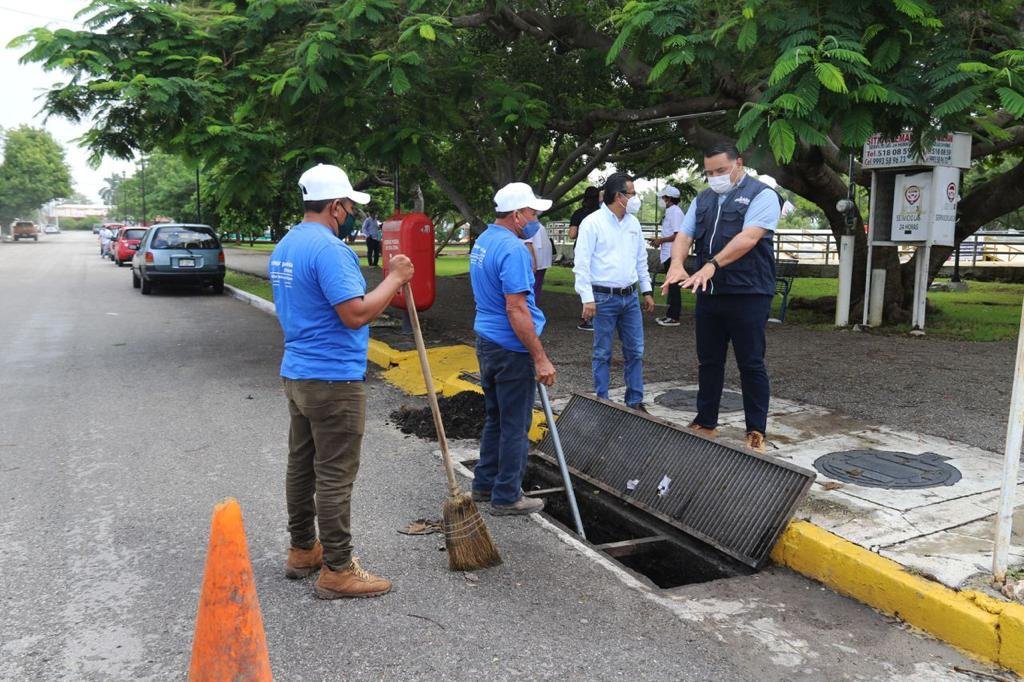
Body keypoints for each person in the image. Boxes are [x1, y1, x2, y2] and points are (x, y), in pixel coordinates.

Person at [269, 163, 415, 599]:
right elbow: (355, 314)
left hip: (298, 373)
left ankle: (302, 549)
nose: (352, 214)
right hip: (332, 379)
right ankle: (337, 568)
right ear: (335, 206)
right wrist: (395, 278)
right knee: (334, 474)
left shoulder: (288, 244)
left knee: (301, 466)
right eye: (350, 207)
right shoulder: (331, 251)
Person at [662, 143, 782, 453]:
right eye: (709, 172)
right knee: (709, 360)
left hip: (749, 292)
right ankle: (706, 421)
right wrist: (677, 264)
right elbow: (685, 235)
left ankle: (756, 430)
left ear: (739, 163)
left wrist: (711, 265)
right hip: (710, 293)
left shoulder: (762, 195)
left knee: (751, 363)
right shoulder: (703, 199)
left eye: (721, 170)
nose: (715, 177)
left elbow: (749, 237)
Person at [469, 182, 557, 516]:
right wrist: (540, 357)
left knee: (496, 417)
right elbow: (516, 308)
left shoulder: (484, 240)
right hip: (510, 348)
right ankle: (507, 495)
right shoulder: (513, 249)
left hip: (487, 342)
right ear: (517, 214)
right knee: (516, 424)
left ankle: (484, 483)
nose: (536, 220)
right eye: (532, 213)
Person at [573, 172, 655, 412]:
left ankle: (635, 401)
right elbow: (582, 264)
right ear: (619, 196)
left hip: (630, 297)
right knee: (602, 352)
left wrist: (647, 290)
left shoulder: (633, 223)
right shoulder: (592, 223)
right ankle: (602, 401)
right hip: (602, 297)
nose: (636, 198)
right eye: (632, 193)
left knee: (635, 351)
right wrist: (587, 299)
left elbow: (640, 260)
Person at [651, 186, 685, 326]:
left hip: (673, 253)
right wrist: (660, 241)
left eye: (663, 197)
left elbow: (678, 235)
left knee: (674, 286)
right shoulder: (671, 211)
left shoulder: (675, 212)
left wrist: (661, 240)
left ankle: (674, 316)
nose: (661, 199)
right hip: (668, 253)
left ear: (669, 198)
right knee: (671, 285)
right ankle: (670, 315)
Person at [568, 187, 601, 330]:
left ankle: (588, 317)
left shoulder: (579, 213)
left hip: (582, 250)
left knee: (584, 280)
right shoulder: (601, 213)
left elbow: (572, 234)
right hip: (599, 251)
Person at [527, 220, 553, 304]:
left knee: (537, 286)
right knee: (534, 287)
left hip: (542, 262)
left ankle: (533, 305)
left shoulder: (533, 222)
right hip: (538, 263)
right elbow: (528, 244)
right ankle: (531, 307)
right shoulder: (528, 224)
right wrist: (533, 263)